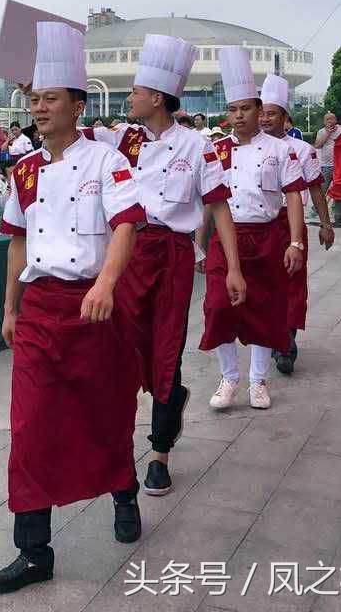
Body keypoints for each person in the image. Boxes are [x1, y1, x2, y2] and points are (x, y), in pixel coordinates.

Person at [0, 22, 146, 594]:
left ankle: (123, 488)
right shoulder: (23, 170)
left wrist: (105, 284)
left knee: (104, 409)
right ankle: (33, 552)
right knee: (29, 427)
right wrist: (11, 307)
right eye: (34, 99)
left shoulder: (107, 161)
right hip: (40, 310)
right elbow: (17, 241)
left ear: (78, 105)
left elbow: (127, 224)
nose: (40, 108)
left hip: (95, 310)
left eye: (50, 99)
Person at [110, 33, 241, 498]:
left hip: (173, 256)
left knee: (166, 348)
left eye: (135, 93)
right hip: (127, 253)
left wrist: (235, 269)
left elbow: (220, 206)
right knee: (125, 347)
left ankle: (160, 452)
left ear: (158, 99)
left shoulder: (198, 146)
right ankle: (120, 440)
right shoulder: (122, 141)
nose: (129, 98)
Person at [198, 50, 305, 413]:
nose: (239, 116)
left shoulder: (281, 150)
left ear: (260, 112)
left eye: (246, 108)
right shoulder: (216, 151)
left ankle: (258, 381)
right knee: (217, 307)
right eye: (233, 109)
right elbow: (210, 204)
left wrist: (294, 242)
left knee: (265, 308)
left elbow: (293, 197)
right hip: (225, 240)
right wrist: (200, 245)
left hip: (266, 238)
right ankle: (229, 378)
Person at [259, 78, 334, 376]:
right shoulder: (248, 147)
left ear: (286, 119)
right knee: (263, 285)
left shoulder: (302, 150)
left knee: (291, 283)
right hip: (258, 227)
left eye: (271, 113)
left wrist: (325, 224)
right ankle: (268, 335)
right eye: (261, 113)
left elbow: (315, 189)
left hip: (289, 224)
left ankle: (286, 342)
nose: (264, 119)